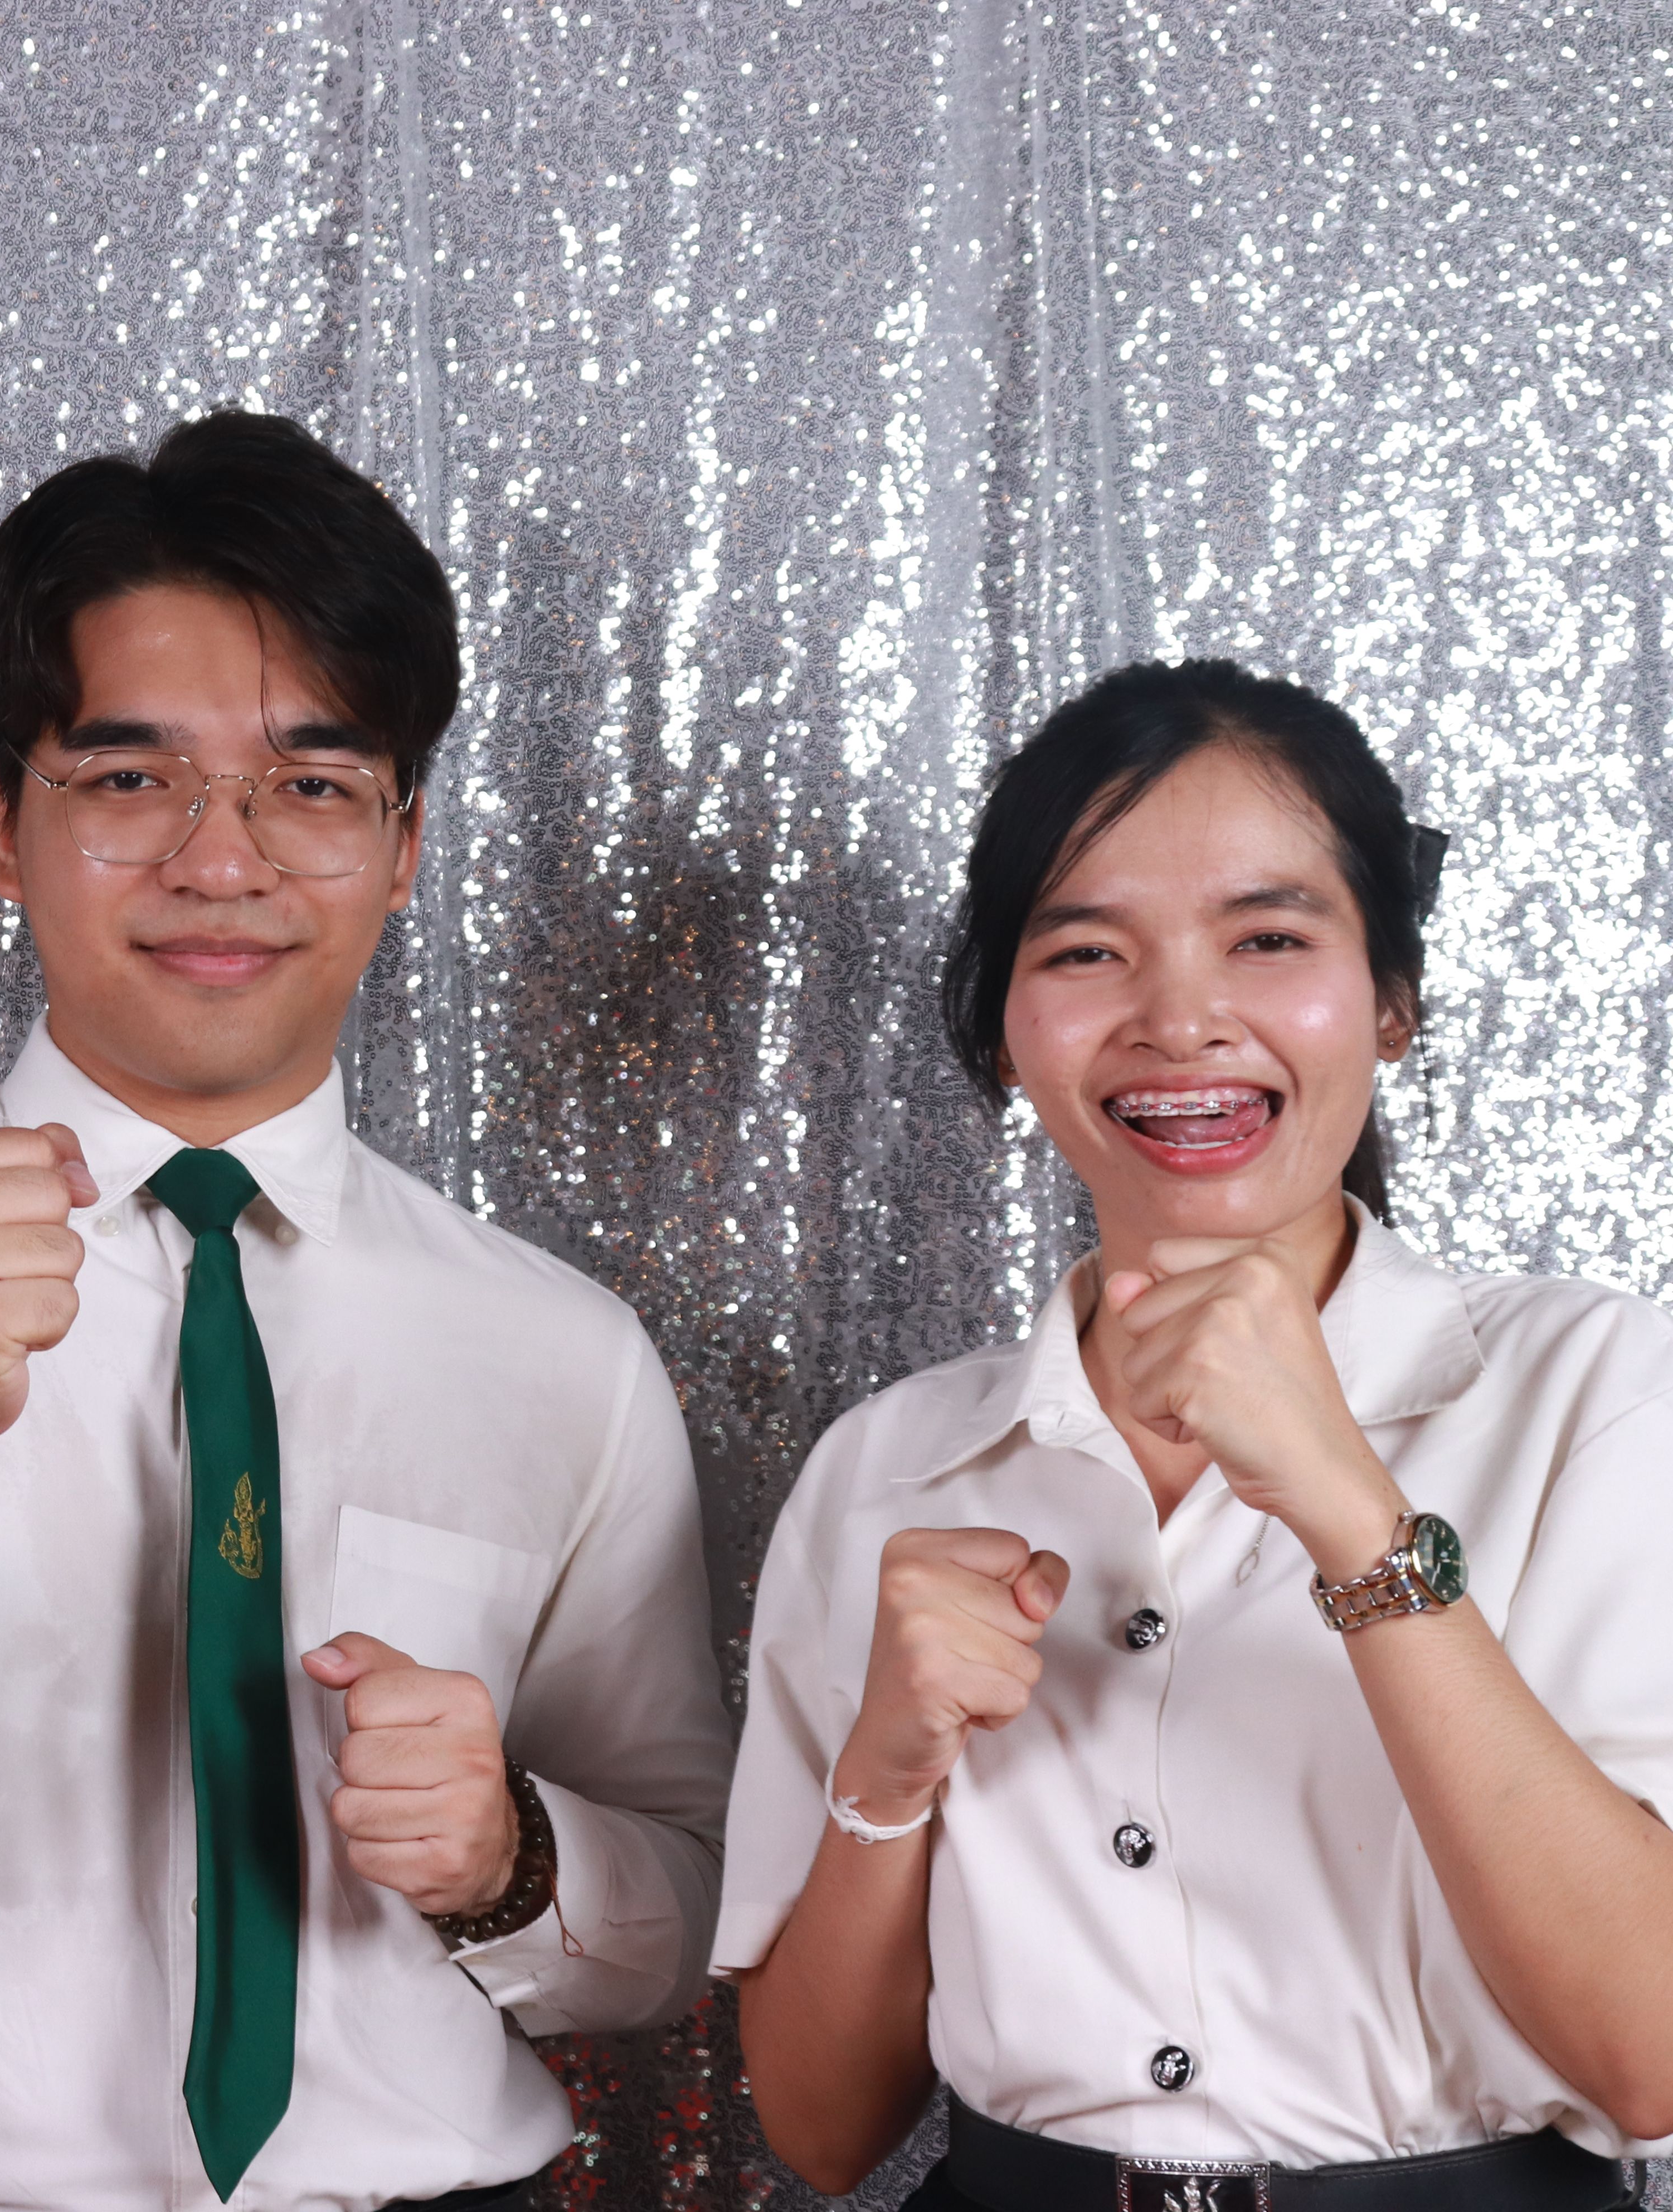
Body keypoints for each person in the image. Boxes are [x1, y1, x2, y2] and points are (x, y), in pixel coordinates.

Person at [0, 410, 733, 2212]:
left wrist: (512, 1861)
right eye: (131, 781)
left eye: (312, 786)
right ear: (2, 824)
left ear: (405, 844)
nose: (221, 862)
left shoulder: (565, 1353)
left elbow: (683, 1917)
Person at [717, 658, 1673, 2212]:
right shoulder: (886, 1469)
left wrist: (1353, 1511)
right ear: (1006, 1029)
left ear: (1393, 1001)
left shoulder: (1600, 1391)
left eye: (1268, 939)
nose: (1179, 1021)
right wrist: (886, 1768)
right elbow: (823, 2133)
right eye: (1087, 951)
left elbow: (1654, 2061)